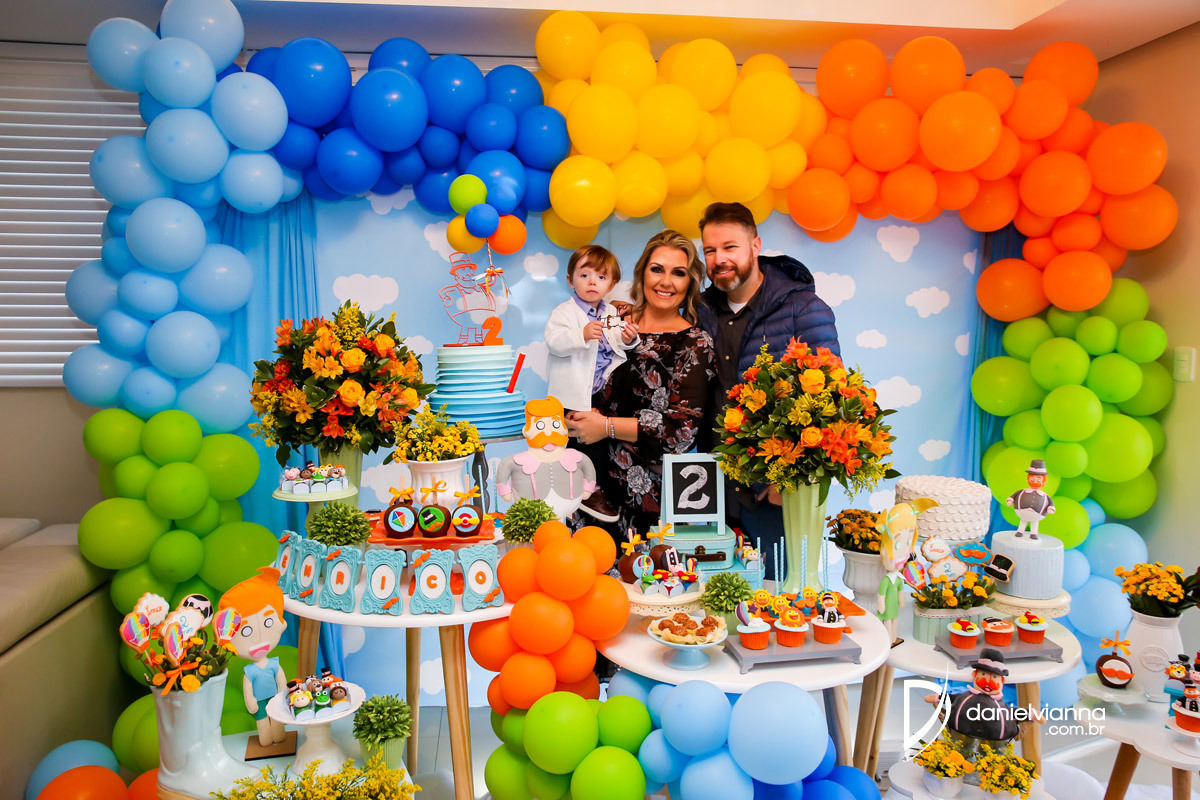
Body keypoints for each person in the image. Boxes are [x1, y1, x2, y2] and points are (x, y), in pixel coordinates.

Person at [697, 201, 841, 579]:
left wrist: (787, 479)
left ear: (755, 246)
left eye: (730, 247)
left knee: (780, 593)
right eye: (710, 250)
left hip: (774, 495)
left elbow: (830, 400)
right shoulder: (702, 310)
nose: (719, 259)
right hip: (714, 490)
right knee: (716, 596)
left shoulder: (803, 308)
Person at [566, 230, 715, 548]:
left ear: (690, 283)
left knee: (640, 576)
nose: (666, 282)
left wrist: (605, 427)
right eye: (657, 269)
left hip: (646, 497)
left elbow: (680, 434)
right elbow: (573, 363)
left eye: (679, 273)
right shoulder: (612, 318)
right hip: (585, 485)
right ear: (642, 272)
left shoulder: (695, 343)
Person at [545, 245, 639, 522]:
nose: (591, 282)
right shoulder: (564, 313)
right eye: (584, 275)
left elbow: (619, 344)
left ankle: (593, 487)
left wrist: (629, 338)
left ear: (612, 284)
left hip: (600, 391)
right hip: (573, 393)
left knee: (599, 443)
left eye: (600, 277)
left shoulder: (610, 312)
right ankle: (584, 491)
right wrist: (582, 334)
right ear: (570, 280)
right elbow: (555, 343)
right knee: (579, 443)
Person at [218, 567, 289, 749]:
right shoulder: (249, 672)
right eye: (246, 631)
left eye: (268, 622)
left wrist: (282, 693)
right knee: (262, 720)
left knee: (277, 717)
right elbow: (248, 689)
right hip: (260, 701)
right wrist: (250, 701)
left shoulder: (273, 665)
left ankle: (278, 736)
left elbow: (281, 681)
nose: (257, 639)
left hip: (274, 698)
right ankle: (266, 739)